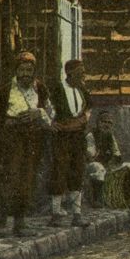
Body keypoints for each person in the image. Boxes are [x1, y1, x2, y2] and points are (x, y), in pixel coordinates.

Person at [0, 50, 52, 237]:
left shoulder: (40, 90)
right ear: (16, 71)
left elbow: (51, 116)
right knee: (8, 178)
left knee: (27, 180)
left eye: (29, 69)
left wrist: (39, 113)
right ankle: (1, 222)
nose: (26, 73)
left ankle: (20, 223)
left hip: (32, 142)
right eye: (22, 70)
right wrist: (9, 123)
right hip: (10, 142)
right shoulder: (4, 91)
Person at [49, 58, 92, 227]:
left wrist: (83, 119)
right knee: (59, 172)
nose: (83, 75)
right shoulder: (59, 89)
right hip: (62, 138)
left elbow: (89, 107)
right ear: (69, 73)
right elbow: (49, 108)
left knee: (77, 171)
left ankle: (77, 214)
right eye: (80, 72)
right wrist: (53, 123)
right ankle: (55, 214)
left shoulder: (82, 89)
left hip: (78, 137)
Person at [85, 110, 125, 205]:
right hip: (91, 166)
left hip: (107, 164)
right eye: (104, 122)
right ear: (98, 122)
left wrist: (114, 161)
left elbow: (117, 153)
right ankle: (97, 199)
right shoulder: (91, 135)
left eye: (109, 123)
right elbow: (92, 156)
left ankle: (122, 195)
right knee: (99, 168)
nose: (106, 125)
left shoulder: (110, 136)